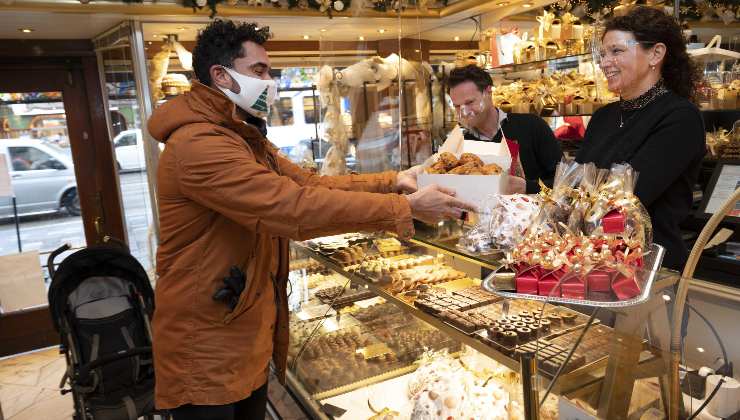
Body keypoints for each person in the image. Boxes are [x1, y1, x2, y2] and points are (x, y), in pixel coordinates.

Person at [147, 20, 475, 420]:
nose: (271, 82)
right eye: (259, 72)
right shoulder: (200, 144)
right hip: (205, 346)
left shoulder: (240, 136)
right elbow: (292, 206)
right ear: (221, 76)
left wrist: (394, 181)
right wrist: (402, 209)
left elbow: (310, 183)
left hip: (240, 329)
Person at [575, 6, 706, 270]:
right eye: (603, 54)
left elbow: (629, 197)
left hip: (649, 267)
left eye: (617, 51)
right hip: (592, 259)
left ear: (655, 54)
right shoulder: (603, 117)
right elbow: (576, 181)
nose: (605, 63)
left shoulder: (680, 117)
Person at [447, 65, 562, 194]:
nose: (464, 112)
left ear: (488, 93)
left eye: (469, 102)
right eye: (457, 106)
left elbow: (566, 181)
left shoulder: (531, 126)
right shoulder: (459, 144)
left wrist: (527, 187)